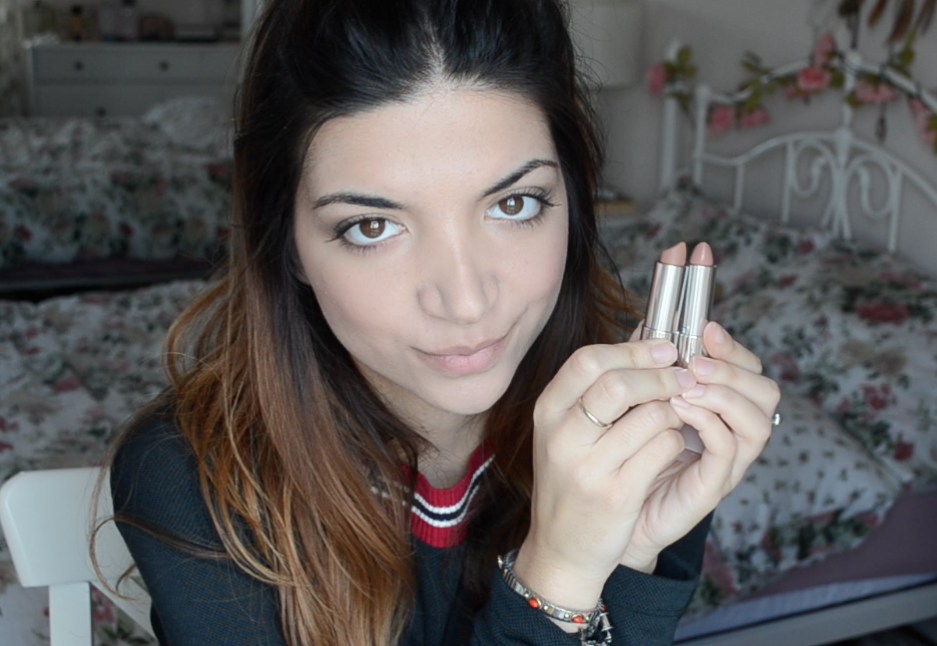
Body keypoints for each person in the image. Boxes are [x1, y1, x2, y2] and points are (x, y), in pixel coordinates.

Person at [106, 0, 781, 644]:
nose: (464, 301)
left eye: (514, 204)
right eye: (372, 226)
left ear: (572, 202)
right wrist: (559, 574)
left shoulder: (636, 437)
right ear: (287, 245)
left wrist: (629, 555)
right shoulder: (188, 475)